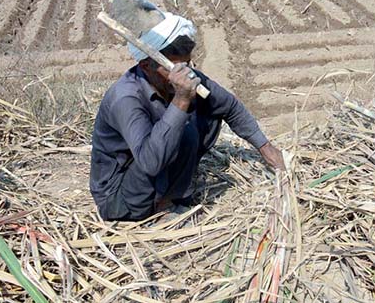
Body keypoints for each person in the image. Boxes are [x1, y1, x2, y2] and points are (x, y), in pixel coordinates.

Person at [90, 12, 285, 221]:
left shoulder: (181, 76)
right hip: (120, 195)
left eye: (188, 64)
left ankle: (174, 190)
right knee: (183, 126)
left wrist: (266, 148)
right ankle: (159, 208)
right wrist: (181, 99)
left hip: (153, 166)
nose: (187, 74)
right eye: (175, 67)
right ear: (147, 66)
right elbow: (150, 163)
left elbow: (229, 106)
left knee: (204, 115)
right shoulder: (126, 98)